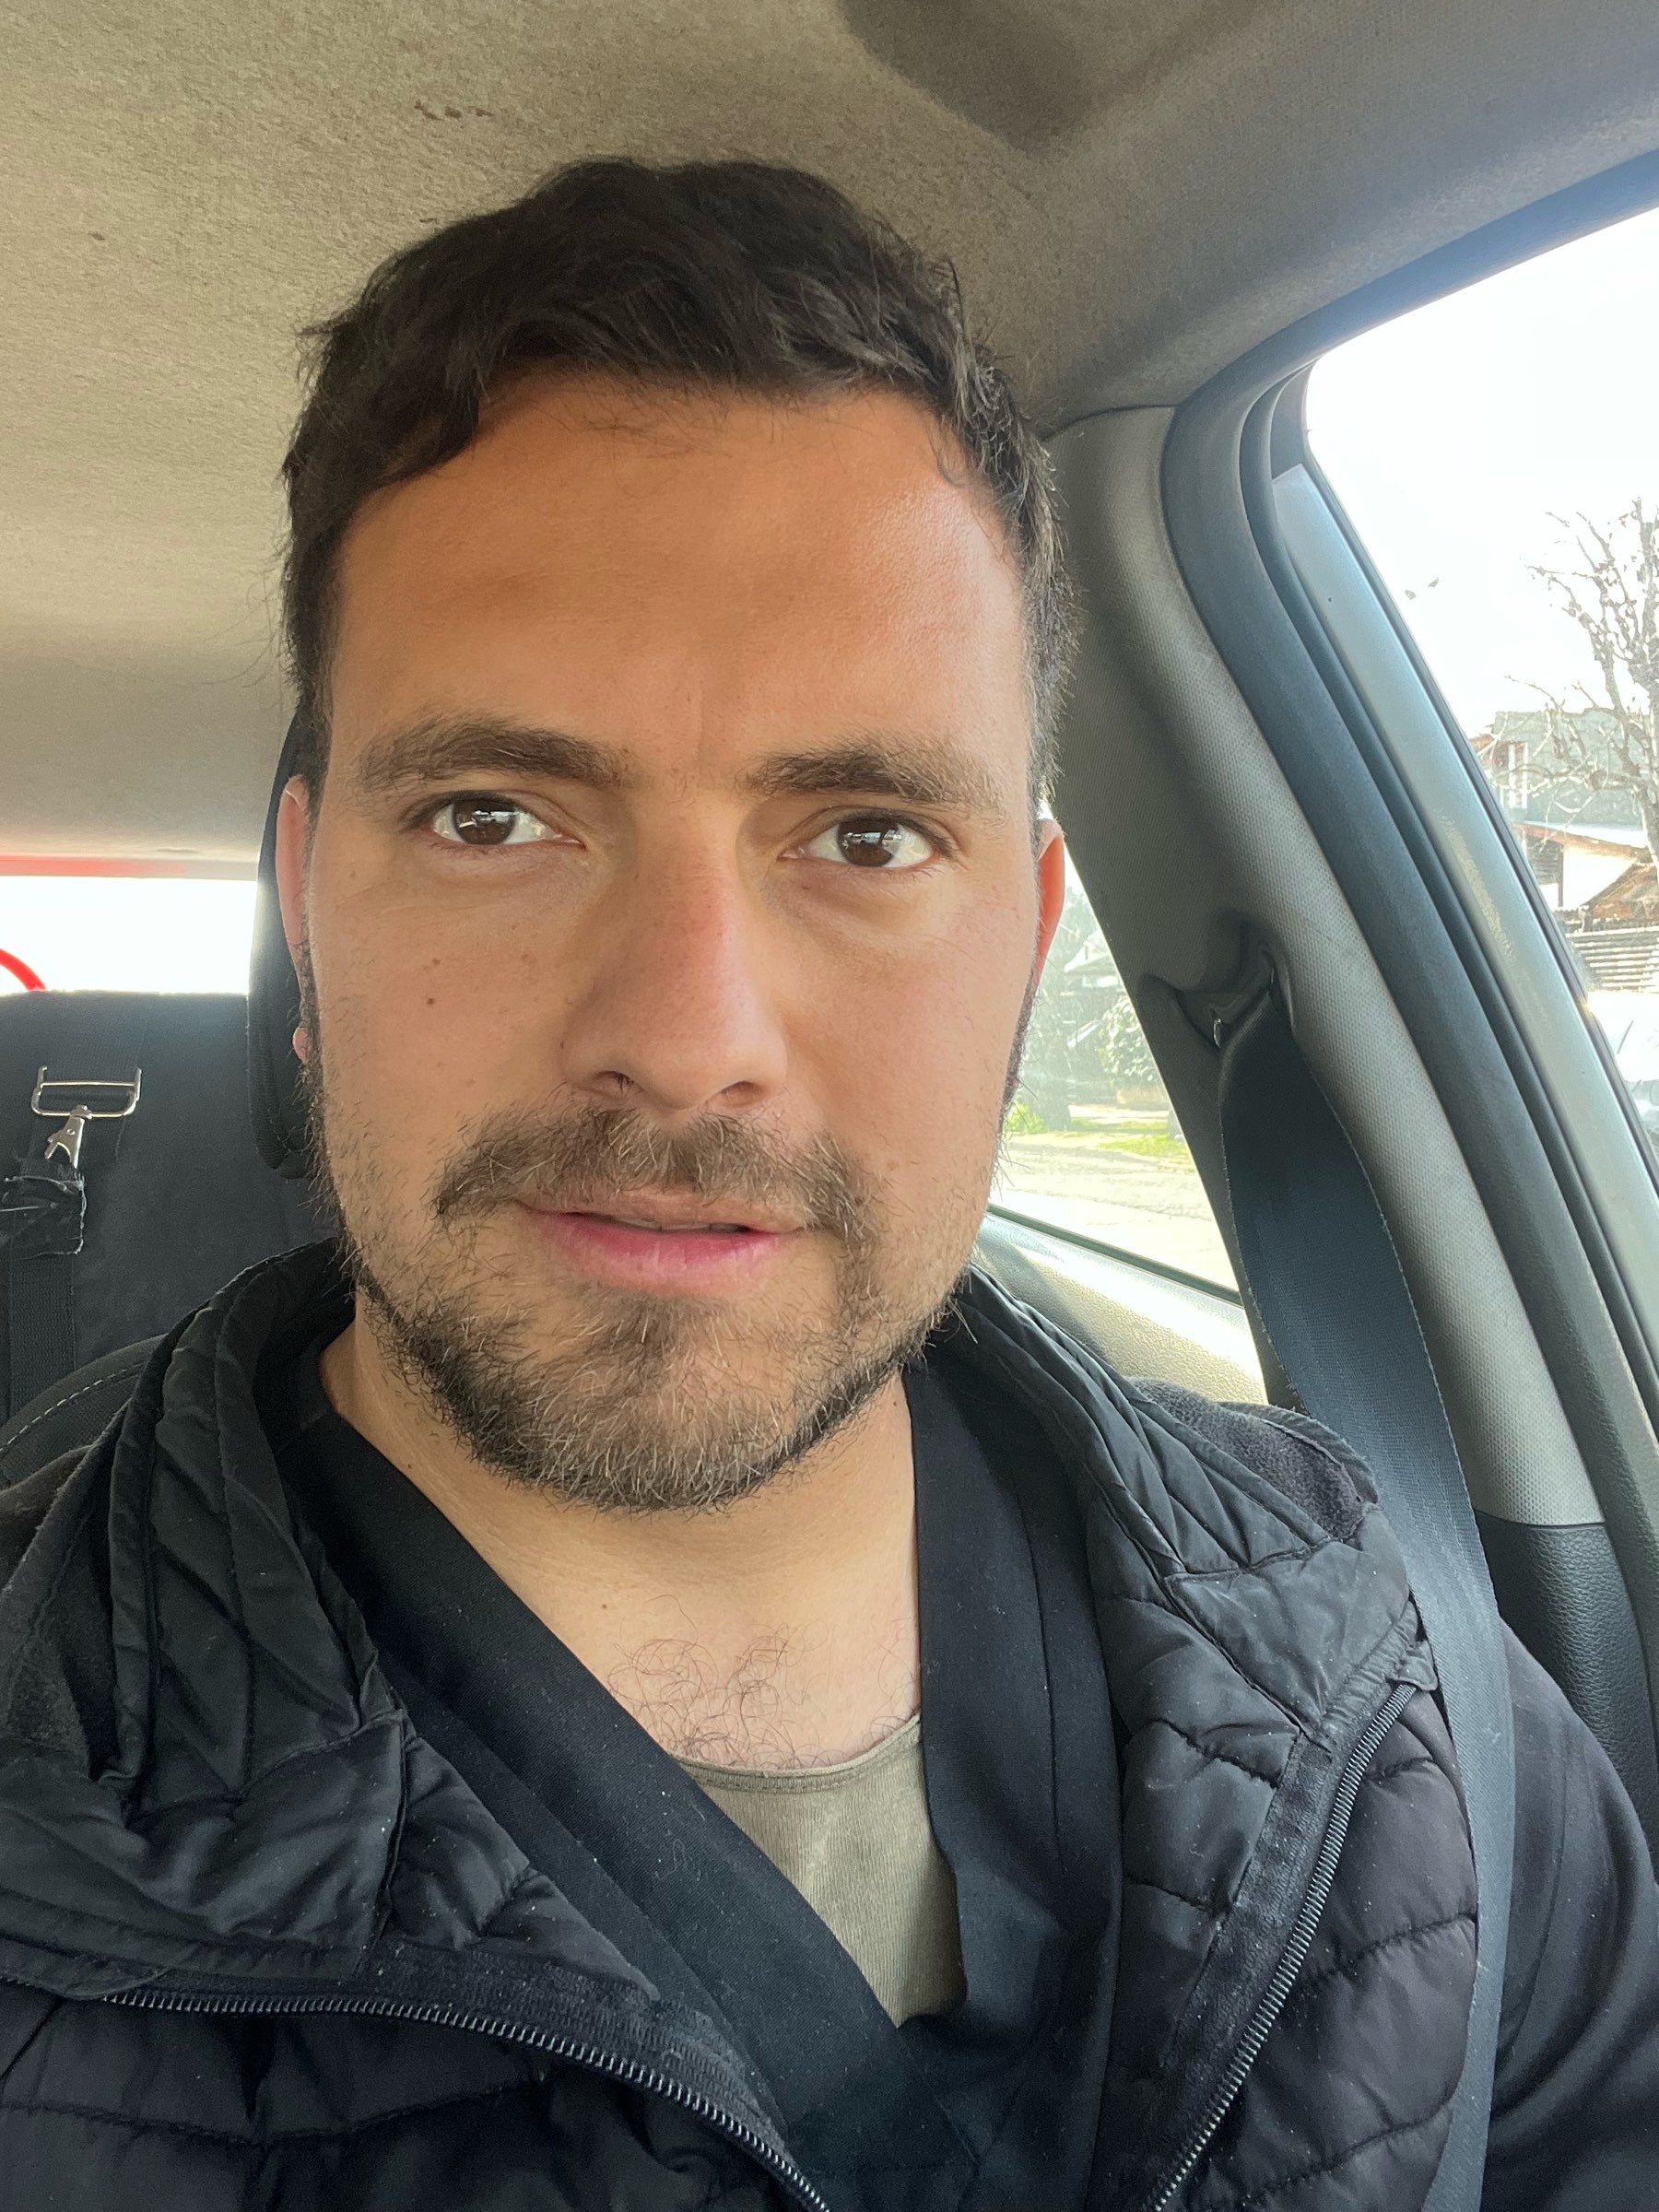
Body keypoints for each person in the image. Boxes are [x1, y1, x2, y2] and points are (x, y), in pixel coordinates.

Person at [0, 159, 1653, 2212]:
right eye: (495, 815)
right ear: (303, 911)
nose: (687, 1036)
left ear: (1022, 944)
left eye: (866, 837)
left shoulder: (1394, 1685)